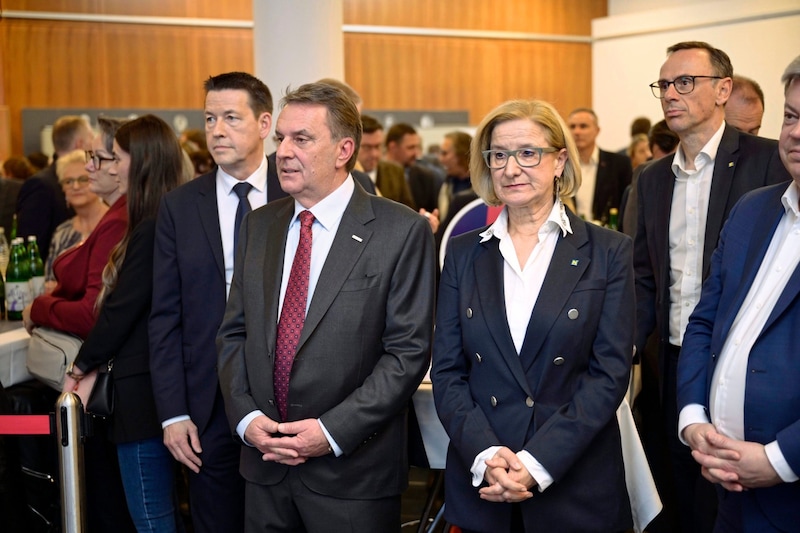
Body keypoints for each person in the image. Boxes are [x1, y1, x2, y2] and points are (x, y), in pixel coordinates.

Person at [216, 82, 435, 532]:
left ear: (343, 150)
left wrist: (331, 431)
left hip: (352, 476)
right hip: (265, 468)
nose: (284, 152)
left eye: (302, 138)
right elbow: (233, 333)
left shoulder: (399, 231)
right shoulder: (260, 225)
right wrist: (246, 418)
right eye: (281, 138)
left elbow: (407, 353)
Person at [431, 98, 634, 532]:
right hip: (485, 478)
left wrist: (537, 462)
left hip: (574, 480)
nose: (510, 168)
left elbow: (609, 374)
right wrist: (486, 454)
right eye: (498, 155)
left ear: (560, 160)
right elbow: (447, 371)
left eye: (527, 153)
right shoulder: (464, 253)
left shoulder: (608, 252)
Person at [634, 41, 790, 533]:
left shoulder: (769, 161)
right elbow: (644, 275)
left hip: (749, 365)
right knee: (676, 489)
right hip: (674, 357)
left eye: (685, 82)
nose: (670, 95)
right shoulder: (651, 178)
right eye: (664, 85)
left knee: (727, 493)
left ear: (723, 90)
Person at [149, 71, 287, 533]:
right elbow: (165, 316)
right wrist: (173, 412)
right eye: (209, 118)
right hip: (206, 406)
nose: (217, 130)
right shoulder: (180, 206)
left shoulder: (300, 192)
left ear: (264, 123)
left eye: (231, 117)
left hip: (289, 400)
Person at [677, 56, 800, 532]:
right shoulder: (753, 210)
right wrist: (693, 419)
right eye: (791, 116)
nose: (793, 133)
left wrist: (779, 459)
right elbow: (705, 322)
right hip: (726, 486)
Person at [62, 115, 183, 532]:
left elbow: (122, 309)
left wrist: (79, 366)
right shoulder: (154, 218)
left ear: (141, 161)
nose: (110, 166)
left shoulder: (151, 226)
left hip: (142, 392)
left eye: (116, 157)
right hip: (149, 388)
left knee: (150, 517)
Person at [22, 115, 134, 532]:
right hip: (104, 382)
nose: (87, 170)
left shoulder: (119, 221)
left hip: (103, 384)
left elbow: (93, 311)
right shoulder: (113, 219)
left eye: (99, 157)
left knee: (110, 502)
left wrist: (40, 308)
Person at [16, 115, 94, 261]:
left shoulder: (95, 179)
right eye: (91, 139)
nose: (93, 146)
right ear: (80, 143)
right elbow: (30, 247)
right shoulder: (40, 185)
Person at [45, 149, 109, 290]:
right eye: (68, 181)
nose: (75, 186)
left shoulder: (113, 223)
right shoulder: (61, 232)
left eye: (83, 179)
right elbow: (49, 283)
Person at [567, 107, 632, 224]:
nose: (577, 132)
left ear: (597, 130)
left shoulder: (619, 164)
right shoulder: (561, 166)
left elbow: (627, 206)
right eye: (572, 127)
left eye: (583, 126)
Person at [358, 114, 414, 206]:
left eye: (378, 146)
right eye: (367, 147)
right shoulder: (344, 176)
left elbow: (409, 210)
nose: (374, 154)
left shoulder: (395, 172)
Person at [385, 122, 442, 212]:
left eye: (417, 147)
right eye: (410, 148)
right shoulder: (377, 175)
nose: (416, 153)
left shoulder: (425, 177)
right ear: (393, 147)